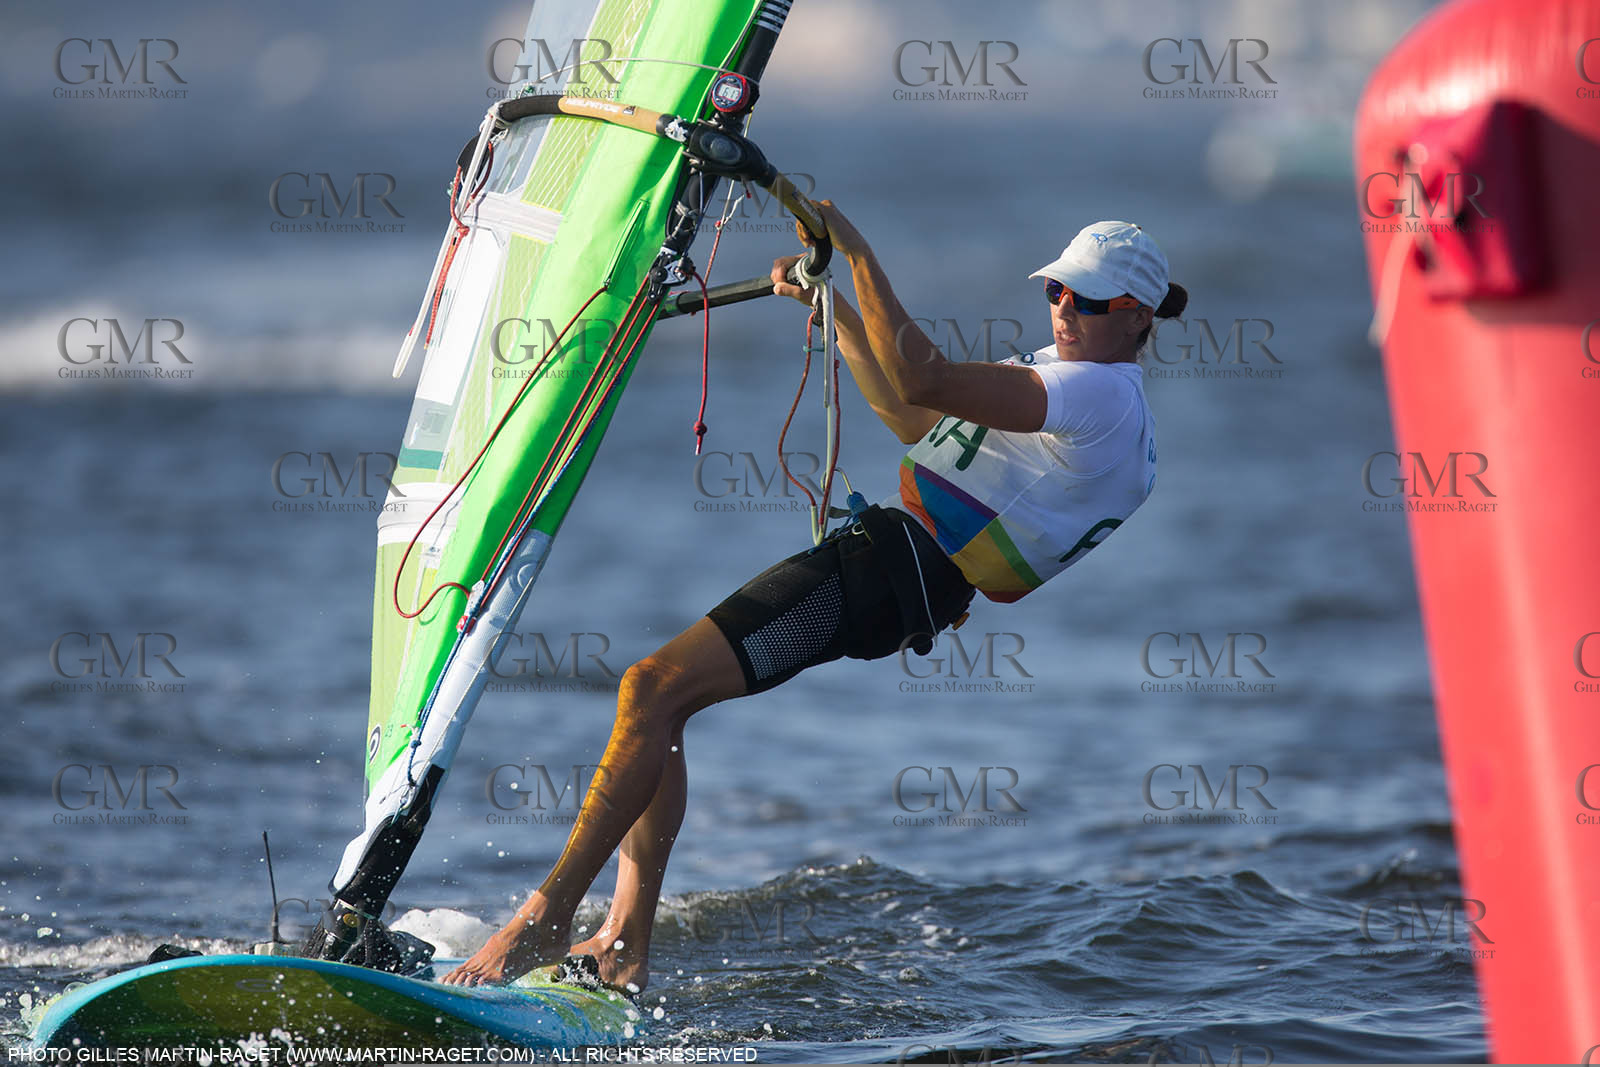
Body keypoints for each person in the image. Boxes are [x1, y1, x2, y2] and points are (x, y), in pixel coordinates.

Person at [440, 203, 1186, 992]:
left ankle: (550, 918)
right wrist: (834, 311)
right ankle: (623, 939)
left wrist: (858, 249)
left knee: (650, 689)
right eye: (1057, 291)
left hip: (891, 573)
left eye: (1087, 300)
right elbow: (910, 414)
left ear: (1135, 318)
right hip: (897, 576)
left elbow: (924, 374)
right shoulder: (1080, 387)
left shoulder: (1101, 398)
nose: (1064, 308)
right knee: (661, 702)